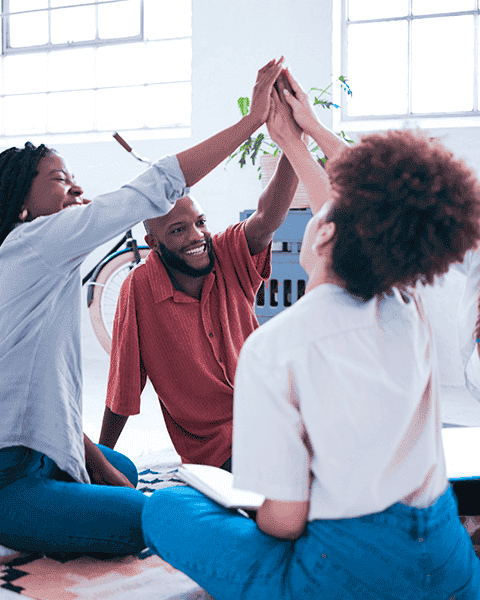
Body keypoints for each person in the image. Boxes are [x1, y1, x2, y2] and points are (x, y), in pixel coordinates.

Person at [141, 69, 480, 598]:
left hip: (344, 575)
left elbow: (284, 523)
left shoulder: (275, 347)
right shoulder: (406, 304)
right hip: (449, 564)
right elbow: (369, 215)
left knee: (167, 506)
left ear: (323, 234)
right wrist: (298, 137)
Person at [0, 57, 286, 556]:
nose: (77, 188)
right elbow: (154, 187)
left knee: (126, 472)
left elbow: (48, 402)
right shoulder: (37, 243)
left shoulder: (39, 261)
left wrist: (101, 469)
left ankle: (62, 499)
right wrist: (252, 121)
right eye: (60, 179)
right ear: (21, 205)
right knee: (149, 518)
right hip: (11, 473)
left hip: (39, 451)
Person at [98, 78, 301, 472]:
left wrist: (294, 140)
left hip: (274, 413)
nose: (197, 236)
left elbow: (268, 217)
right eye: (178, 230)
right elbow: (124, 384)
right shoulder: (139, 289)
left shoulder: (225, 252)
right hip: (218, 450)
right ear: (153, 243)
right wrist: (100, 460)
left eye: (200, 222)